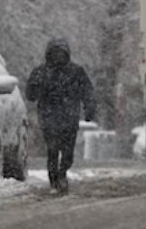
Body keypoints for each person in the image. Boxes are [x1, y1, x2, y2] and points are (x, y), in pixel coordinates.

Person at [26, 38, 96, 194]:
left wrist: (89, 109)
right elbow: (30, 95)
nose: (58, 57)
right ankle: (54, 179)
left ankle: (62, 171)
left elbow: (87, 92)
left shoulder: (76, 72)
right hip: (49, 117)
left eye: (61, 53)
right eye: (55, 53)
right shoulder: (41, 72)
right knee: (52, 149)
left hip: (69, 118)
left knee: (67, 151)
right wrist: (36, 86)